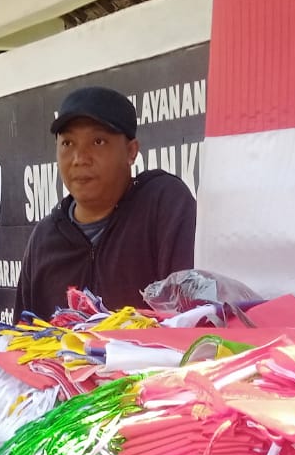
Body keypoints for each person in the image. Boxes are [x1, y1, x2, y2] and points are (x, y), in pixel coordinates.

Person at [13, 84, 197, 317]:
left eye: (98, 142)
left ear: (131, 151)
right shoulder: (44, 239)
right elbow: (23, 338)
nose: (79, 159)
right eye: (68, 144)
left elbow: (191, 319)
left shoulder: (163, 204)